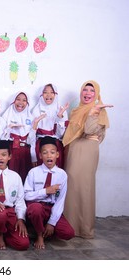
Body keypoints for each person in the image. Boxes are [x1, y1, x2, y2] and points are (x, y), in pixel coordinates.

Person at [62, 80, 112, 239]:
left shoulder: (98, 109)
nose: (88, 93)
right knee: (72, 186)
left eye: (92, 90)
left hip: (87, 150)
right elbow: (72, 132)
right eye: (85, 89)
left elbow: (91, 130)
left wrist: (93, 113)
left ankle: (85, 229)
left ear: (96, 94)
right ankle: (70, 227)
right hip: (74, 148)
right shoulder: (77, 110)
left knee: (84, 186)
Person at [24, 136, 75, 249]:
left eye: (52, 152)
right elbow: (26, 195)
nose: (49, 155)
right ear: (40, 156)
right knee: (36, 208)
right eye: (45, 153)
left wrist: (52, 222)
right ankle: (39, 235)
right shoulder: (33, 172)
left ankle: (45, 228)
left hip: (51, 208)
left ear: (57, 154)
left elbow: (60, 200)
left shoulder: (62, 174)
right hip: (36, 207)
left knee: (68, 233)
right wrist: (45, 191)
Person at [30, 83, 69, 168]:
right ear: (41, 94)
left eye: (52, 92)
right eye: (45, 92)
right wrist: (33, 155)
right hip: (40, 146)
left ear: (56, 94)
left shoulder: (61, 109)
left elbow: (60, 135)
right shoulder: (36, 110)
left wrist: (60, 118)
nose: (48, 95)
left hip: (56, 146)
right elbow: (32, 136)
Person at [1, 92, 34, 182]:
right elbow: (1, 138)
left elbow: (32, 140)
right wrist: (9, 128)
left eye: (24, 100)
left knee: (24, 177)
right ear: (13, 101)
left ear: (27, 103)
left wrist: (33, 157)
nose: (21, 102)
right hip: (11, 151)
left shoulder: (31, 118)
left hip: (25, 152)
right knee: (10, 178)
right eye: (18, 99)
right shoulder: (6, 115)